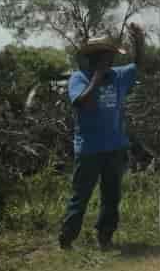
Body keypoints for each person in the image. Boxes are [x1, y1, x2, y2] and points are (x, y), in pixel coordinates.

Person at [60, 22, 145, 250]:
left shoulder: (118, 75)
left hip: (115, 148)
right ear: (97, 58)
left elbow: (138, 65)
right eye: (108, 57)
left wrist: (140, 42)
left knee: (111, 197)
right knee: (81, 197)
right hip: (89, 149)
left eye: (112, 58)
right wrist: (97, 78)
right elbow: (82, 103)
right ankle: (66, 240)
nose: (112, 61)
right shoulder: (79, 78)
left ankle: (105, 238)